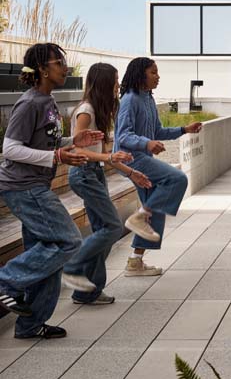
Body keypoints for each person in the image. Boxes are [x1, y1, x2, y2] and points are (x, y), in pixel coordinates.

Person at [0, 43, 104, 339]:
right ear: (43, 70)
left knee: (47, 254)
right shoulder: (30, 103)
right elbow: (10, 148)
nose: (65, 68)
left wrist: (72, 141)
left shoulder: (47, 101)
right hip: (23, 187)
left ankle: (31, 325)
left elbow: (43, 142)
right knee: (68, 241)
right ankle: (5, 282)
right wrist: (56, 156)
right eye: (59, 63)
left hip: (35, 185)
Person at [62, 63, 153, 305]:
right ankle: (72, 265)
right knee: (112, 227)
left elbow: (105, 155)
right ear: (103, 83)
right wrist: (107, 158)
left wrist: (131, 173)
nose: (117, 86)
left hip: (95, 173)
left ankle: (86, 291)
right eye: (114, 81)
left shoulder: (98, 111)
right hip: (83, 174)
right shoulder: (86, 111)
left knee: (102, 229)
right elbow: (76, 149)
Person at [115, 57, 202, 277]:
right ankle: (141, 215)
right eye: (153, 72)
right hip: (131, 159)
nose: (158, 76)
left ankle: (135, 261)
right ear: (140, 74)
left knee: (156, 211)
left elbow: (157, 132)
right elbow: (123, 136)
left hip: (142, 157)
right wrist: (146, 143)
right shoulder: (130, 99)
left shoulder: (148, 99)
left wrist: (184, 129)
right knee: (177, 178)